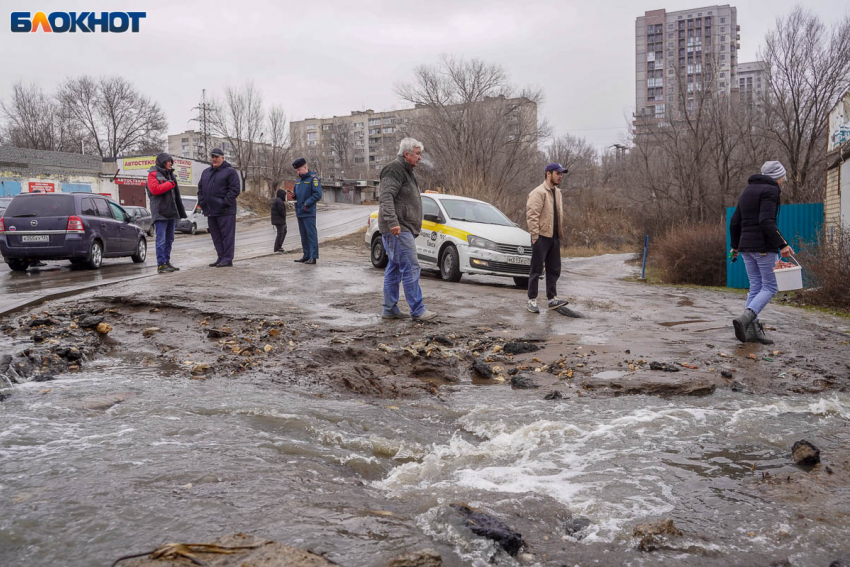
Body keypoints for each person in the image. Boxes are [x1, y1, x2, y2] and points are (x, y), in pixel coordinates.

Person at [729, 161, 793, 345]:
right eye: (783, 179)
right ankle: (746, 318)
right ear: (777, 178)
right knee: (770, 287)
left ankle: (751, 331)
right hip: (763, 247)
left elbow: (734, 222)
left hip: (745, 248)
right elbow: (766, 221)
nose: (783, 182)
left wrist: (735, 245)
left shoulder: (747, 191)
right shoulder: (771, 191)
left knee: (756, 286)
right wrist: (782, 244)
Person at [377, 138, 436, 321]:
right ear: (406, 154)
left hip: (401, 227)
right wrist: (393, 222)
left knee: (395, 267)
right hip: (398, 228)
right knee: (410, 267)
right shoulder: (394, 169)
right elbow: (386, 197)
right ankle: (418, 310)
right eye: (417, 154)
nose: (419, 158)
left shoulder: (406, 171)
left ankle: (390, 309)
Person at [525, 163, 570, 313]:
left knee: (554, 269)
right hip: (541, 237)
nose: (560, 176)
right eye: (557, 173)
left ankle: (552, 299)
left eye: (561, 174)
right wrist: (535, 235)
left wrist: (558, 235)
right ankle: (531, 300)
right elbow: (532, 215)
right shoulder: (538, 192)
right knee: (536, 270)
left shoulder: (557, 192)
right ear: (548, 174)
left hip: (554, 236)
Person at [198, 148, 241, 267]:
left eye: (217, 157)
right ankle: (221, 257)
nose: (214, 159)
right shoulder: (206, 172)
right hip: (210, 211)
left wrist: (224, 202)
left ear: (223, 158)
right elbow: (200, 188)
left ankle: (227, 259)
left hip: (225, 211)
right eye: (212, 157)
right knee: (216, 236)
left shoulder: (230, 172)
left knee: (226, 236)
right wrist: (202, 201)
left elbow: (235, 189)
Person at [145, 152, 186, 274]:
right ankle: (161, 264)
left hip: (171, 212)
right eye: (168, 161)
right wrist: (170, 184)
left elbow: (175, 195)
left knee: (169, 239)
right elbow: (155, 189)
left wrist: (179, 208)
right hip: (160, 213)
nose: (170, 163)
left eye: (171, 162)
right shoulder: (153, 175)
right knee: (161, 240)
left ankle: (167, 262)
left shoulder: (170, 175)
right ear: (162, 162)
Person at [291, 158, 323, 265]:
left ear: (305, 167)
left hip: (308, 212)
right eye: (297, 170)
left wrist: (307, 203)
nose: (298, 172)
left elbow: (317, 194)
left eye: (299, 170)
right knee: (303, 235)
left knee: (311, 235)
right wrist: (294, 195)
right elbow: (297, 194)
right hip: (300, 212)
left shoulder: (313, 179)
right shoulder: (298, 181)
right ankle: (306, 255)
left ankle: (313, 257)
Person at [271, 188, 288, 253]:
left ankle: (278, 246)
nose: (285, 197)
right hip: (279, 220)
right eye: (284, 195)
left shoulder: (277, 200)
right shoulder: (279, 201)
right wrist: (284, 216)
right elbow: (281, 211)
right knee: (281, 233)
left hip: (278, 220)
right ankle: (277, 247)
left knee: (283, 232)